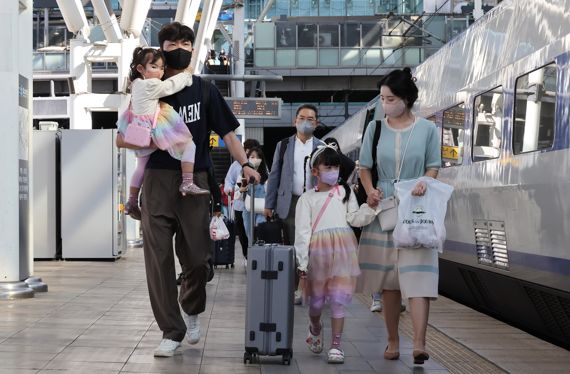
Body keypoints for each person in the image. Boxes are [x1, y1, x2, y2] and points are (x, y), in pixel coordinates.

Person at [117, 22, 260, 358]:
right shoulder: (149, 86)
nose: (179, 47)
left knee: (197, 258)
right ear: (161, 47)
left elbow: (228, 135)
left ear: (193, 48)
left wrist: (247, 165)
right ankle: (171, 329)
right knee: (158, 260)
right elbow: (125, 130)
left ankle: (191, 308)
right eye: (172, 42)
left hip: (195, 179)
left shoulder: (205, 90)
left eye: (185, 42)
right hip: (156, 178)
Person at [356, 67, 441, 364]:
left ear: (406, 98)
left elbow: (434, 165)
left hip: (416, 209)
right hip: (386, 211)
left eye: (390, 98)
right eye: (382, 98)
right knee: (389, 281)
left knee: (419, 278)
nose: (385, 104)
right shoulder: (374, 129)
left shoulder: (428, 130)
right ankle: (393, 340)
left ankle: (419, 343)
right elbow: (363, 167)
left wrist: (424, 181)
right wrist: (370, 191)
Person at [294, 145, 375, 364]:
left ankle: (336, 345)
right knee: (317, 303)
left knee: (339, 299)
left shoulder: (345, 193)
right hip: (317, 256)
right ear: (315, 171)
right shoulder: (306, 199)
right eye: (328, 167)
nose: (334, 171)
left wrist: (370, 207)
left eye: (336, 167)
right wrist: (302, 263)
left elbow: (355, 219)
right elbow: (302, 233)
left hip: (342, 252)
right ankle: (315, 326)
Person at [117, 47, 209, 220]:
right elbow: (170, 86)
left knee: (141, 167)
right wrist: (187, 74)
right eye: (154, 67)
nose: (159, 71)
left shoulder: (135, 84)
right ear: (140, 69)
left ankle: (131, 200)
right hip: (153, 128)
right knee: (189, 145)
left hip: (138, 129)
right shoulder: (151, 84)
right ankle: (187, 181)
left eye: (161, 67)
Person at [265, 104, 325, 304]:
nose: (305, 122)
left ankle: (312, 288)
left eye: (310, 119)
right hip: (290, 201)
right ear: (295, 121)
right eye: (302, 118)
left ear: (316, 124)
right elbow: (274, 176)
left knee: (314, 246)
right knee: (292, 245)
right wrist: (269, 204)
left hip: (315, 203)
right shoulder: (283, 145)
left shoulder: (322, 147)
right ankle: (294, 288)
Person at [224, 139, 261, 262]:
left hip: (258, 207)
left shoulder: (261, 166)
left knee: (256, 232)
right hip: (240, 205)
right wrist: (230, 189)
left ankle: (256, 257)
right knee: (243, 233)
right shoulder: (235, 166)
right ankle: (247, 255)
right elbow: (229, 181)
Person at [240, 147, 269, 245]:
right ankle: (252, 257)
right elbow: (236, 193)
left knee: (260, 231)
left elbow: (270, 192)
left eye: (257, 157)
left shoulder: (266, 176)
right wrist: (241, 190)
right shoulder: (243, 174)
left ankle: (261, 255)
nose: (255, 160)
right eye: (252, 157)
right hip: (248, 209)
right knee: (250, 235)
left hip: (261, 209)